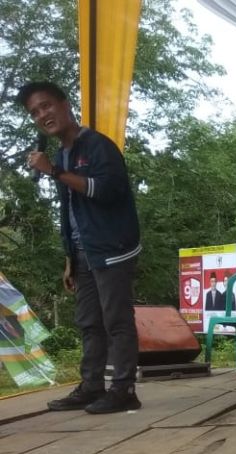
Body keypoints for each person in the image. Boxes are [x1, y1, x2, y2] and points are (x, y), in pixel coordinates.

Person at [19, 81, 142, 414]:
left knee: (116, 319)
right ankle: (91, 386)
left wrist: (55, 171)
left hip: (112, 246)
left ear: (64, 103)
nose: (42, 115)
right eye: (34, 112)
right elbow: (70, 210)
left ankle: (124, 388)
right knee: (88, 321)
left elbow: (106, 192)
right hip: (84, 250)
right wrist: (69, 257)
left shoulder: (98, 146)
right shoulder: (61, 153)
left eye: (46, 105)